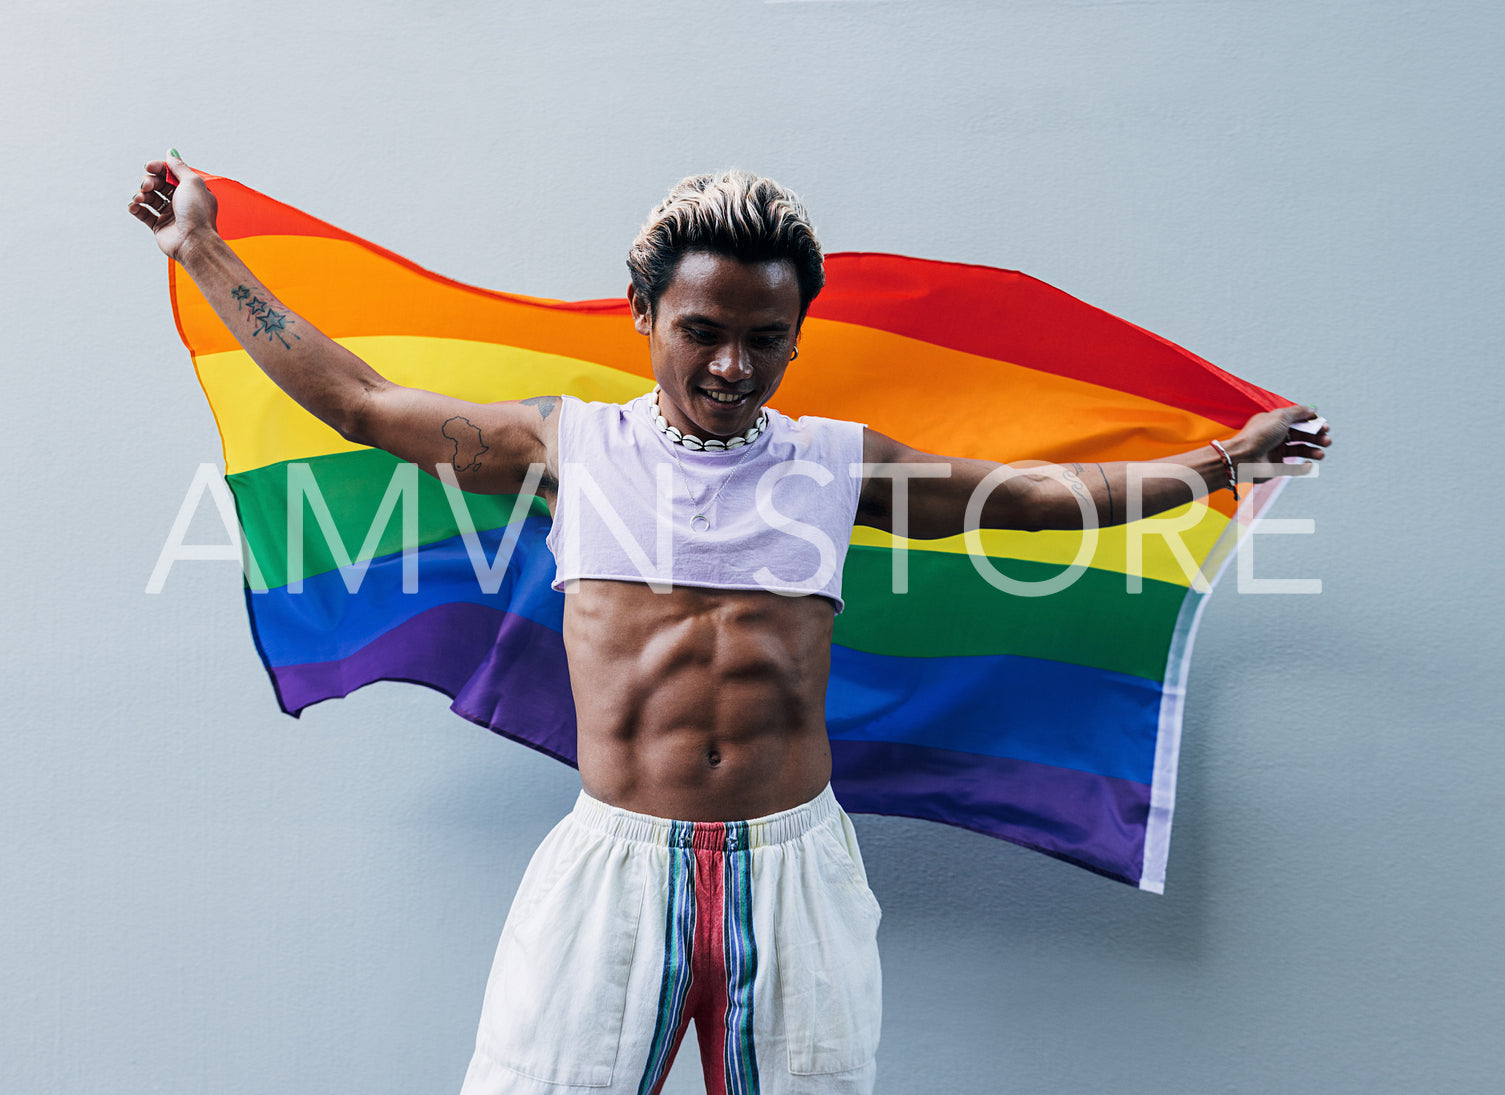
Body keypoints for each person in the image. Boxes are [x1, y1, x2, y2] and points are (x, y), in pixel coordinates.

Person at [130, 154, 1329, 1095]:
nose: (730, 364)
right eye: (701, 330)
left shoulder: (834, 466)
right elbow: (360, 403)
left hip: (793, 870)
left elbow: (1021, 502)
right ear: (646, 315)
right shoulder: (569, 448)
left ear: (796, 332)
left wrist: (1221, 461)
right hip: (613, 864)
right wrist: (202, 251)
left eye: (763, 337)